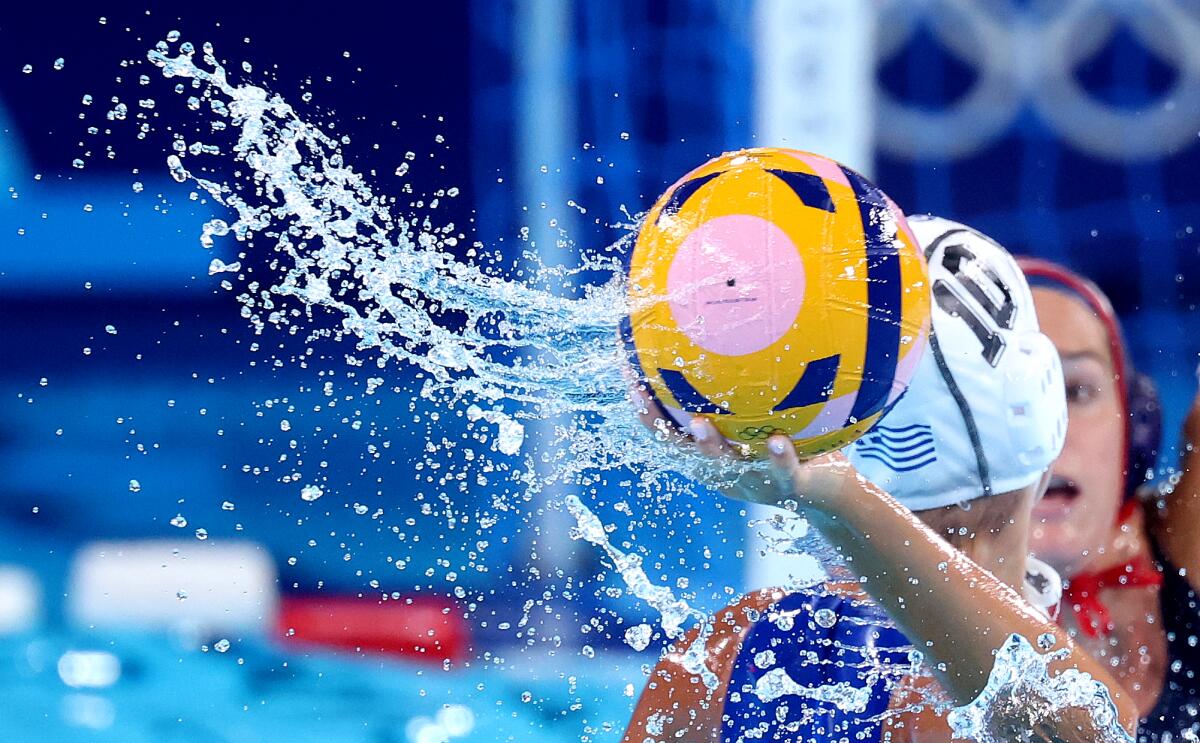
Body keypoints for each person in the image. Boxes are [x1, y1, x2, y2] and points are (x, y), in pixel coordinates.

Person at [622, 216, 1137, 742]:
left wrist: (832, 493)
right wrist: (837, 497)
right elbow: (1088, 726)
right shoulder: (1110, 661)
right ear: (1043, 417)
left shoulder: (733, 656)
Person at [1020, 258, 1200, 740]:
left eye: (1076, 390)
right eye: (1009, 394)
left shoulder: (1186, 547)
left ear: (1135, 426)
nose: (1047, 428)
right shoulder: (884, 611)